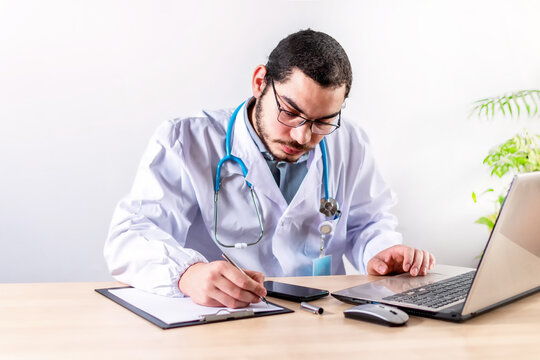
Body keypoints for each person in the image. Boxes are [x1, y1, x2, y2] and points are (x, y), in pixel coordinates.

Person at [104, 29, 435, 309]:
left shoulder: (351, 144)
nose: (302, 135)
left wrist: (380, 251)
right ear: (260, 82)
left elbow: (369, 222)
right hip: (224, 320)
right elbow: (128, 237)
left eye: (322, 122)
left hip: (320, 319)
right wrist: (186, 274)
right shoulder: (186, 140)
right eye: (291, 112)